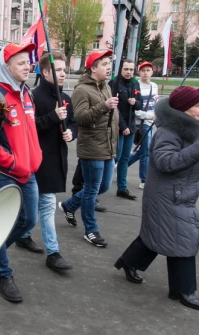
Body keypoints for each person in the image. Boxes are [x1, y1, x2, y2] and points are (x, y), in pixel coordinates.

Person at [114, 86, 199, 310]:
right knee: (182, 237)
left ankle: (129, 261)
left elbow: (198, 161)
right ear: (183, 109)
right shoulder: (168, 132)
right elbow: (165, 162)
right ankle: (183, 290)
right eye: (197, 105)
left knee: (158, 233)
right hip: (167, 195)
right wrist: (197, 151)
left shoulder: (192, 129)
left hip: (178, 194)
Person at [0, 43, 41, 303]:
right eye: (21, 62)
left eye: (28, 61)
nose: (27, 65)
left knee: (28, 221)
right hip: (4, 174)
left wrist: (34, 157)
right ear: (6, 67)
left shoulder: (27, 95)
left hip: (29, 173)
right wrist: (13, 162)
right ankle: (4, 272)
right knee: (2, 225)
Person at [16, 52, 76, 271]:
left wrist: (71, 132)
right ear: (46, 71)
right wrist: (53, 116)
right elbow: (28, 128)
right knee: (47, 205)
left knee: (38, 205)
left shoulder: (66, 98)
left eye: (64, 69)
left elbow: (73, 122)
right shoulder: (32, 96)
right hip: (38, 160)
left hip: (58, 159)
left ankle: (23, 234)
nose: (63, 74)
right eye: (58, 70)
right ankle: (54, 252)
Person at [58, 50, 118, 247]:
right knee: (92, 190)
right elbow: (81, 118)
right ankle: (91, 230)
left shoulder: (106, 87)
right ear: (93, 68)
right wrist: (104, 106)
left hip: (108, 146)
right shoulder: (81, 90)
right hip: (92, 147)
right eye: (104, 64)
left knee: (103, 187)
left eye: (109, 63)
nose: (108, 67)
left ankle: (69, 205)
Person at [109, 59, 143, 200]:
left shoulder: (135, 83)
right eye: (126, 69)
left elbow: (140, 104)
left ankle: (122, 188)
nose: (128, 72)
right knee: (114, 157)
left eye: (131, 69)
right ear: (121, 70)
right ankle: (97, 186)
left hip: (131, 126)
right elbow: (114, 107)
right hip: (118, 126)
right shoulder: (114, 83)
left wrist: (136, 103)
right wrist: (123, 126)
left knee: (124, 158)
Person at [128, 61, 158, 190]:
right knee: (146, 151)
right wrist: (148, 116)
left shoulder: (154, 86)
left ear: (152, 72)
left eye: (148, 70)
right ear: (139, 72)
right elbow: (136, 108)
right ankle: (144, 179)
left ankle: (121, 165)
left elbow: (155, 102)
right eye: (143, 70)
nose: (145, 73)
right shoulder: (136, 86)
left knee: (143, 150)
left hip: (151, 121)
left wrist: (157, 114)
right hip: (141, 122)